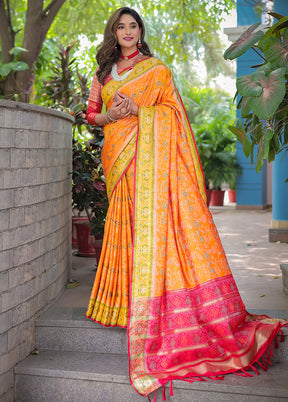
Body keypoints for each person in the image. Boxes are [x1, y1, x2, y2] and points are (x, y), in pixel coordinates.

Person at [85, 7, 286, 400]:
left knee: (149, 229)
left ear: (141, 32)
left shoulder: (157, 70)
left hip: (149, 160)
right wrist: (110, 114)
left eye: (133, 25)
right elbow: (91, 115)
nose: (127, 31)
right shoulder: (103, 72)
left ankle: (149, 307)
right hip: (118, 158)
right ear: (114, 33)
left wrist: (141, 110)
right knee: (122, 227)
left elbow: (173, 114)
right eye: (120, 27)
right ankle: (120, 305)